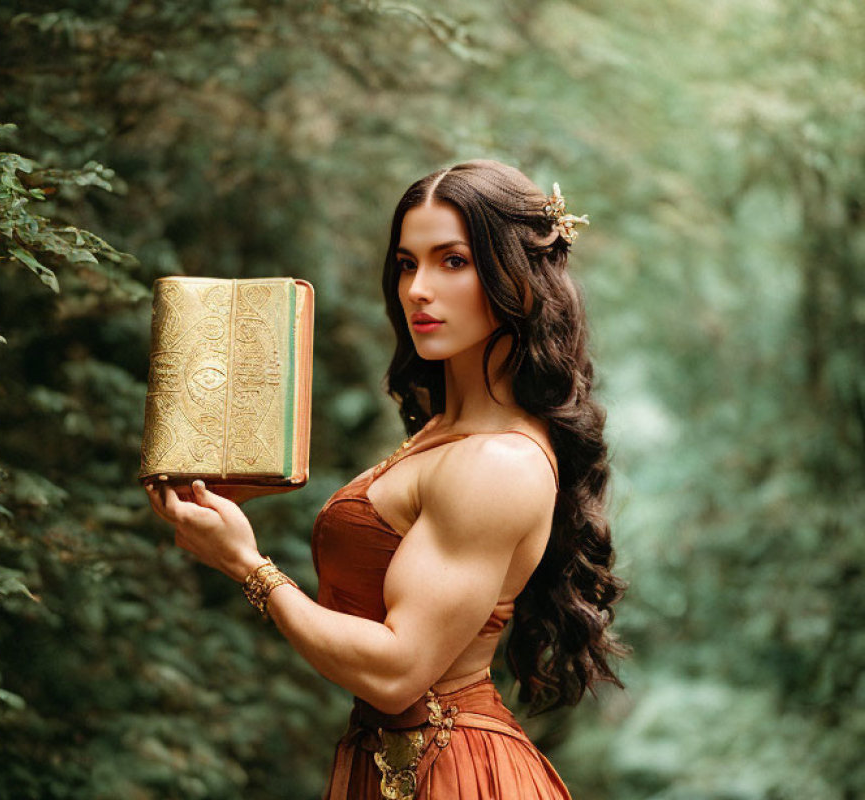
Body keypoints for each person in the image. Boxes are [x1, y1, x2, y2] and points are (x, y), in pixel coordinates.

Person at [144, 159, 626, 799]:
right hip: (390, 761)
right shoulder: (441, 431)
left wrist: (249, 568)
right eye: (407, 263)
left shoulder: (498, 462)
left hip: (455, 775)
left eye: (452, 261)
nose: (418, 289)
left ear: (519, 278)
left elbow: (398, 672)